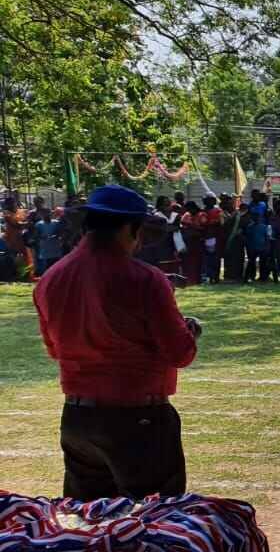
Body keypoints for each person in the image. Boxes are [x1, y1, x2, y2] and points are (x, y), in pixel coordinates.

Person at [32, 185, 199, 499]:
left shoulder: (50, 279)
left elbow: (55, 349)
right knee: (151, 525)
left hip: (78, 419)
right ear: (130, 228)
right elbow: (180, 353)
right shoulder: (146, 279)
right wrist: (190, 331)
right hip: (138, 420)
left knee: (88, 526)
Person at [29, 207, 65, 278]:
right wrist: (41, 237)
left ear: (51, 213)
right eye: (44, 213)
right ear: (41, 214)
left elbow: (60, 233)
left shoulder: (56, 223)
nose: (46, 215)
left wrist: (55, 236)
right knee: (46, 265)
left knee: (56, 263)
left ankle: (56, 277)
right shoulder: (39, 224)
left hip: (55, 247)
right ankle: (47, 278)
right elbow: (36, 235)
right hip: (45, 247)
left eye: (48, 213)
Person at [178, 200, 204, 286]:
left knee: (198, 262)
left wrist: (191, 226)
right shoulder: (187, 215)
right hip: (188, 241)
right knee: (189, 262)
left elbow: (204, 228)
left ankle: (198, 279)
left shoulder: (201, 214)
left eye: (189, 209)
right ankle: (190, 279)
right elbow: (182, 225)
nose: (188, 211)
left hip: (198, 241)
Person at [244, 203, 271, 282]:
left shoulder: (264, 227)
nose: (257, 218)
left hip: (262, 248)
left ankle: (263, 277)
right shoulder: (250, 227)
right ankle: (249, 277)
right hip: (253, 248)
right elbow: (248, 237)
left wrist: (267, 247)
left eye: (258, 217)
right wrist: (248, 247)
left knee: (263, 263)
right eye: (255, 217)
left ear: (260, 218)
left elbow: (267, 238)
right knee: (251, 263)